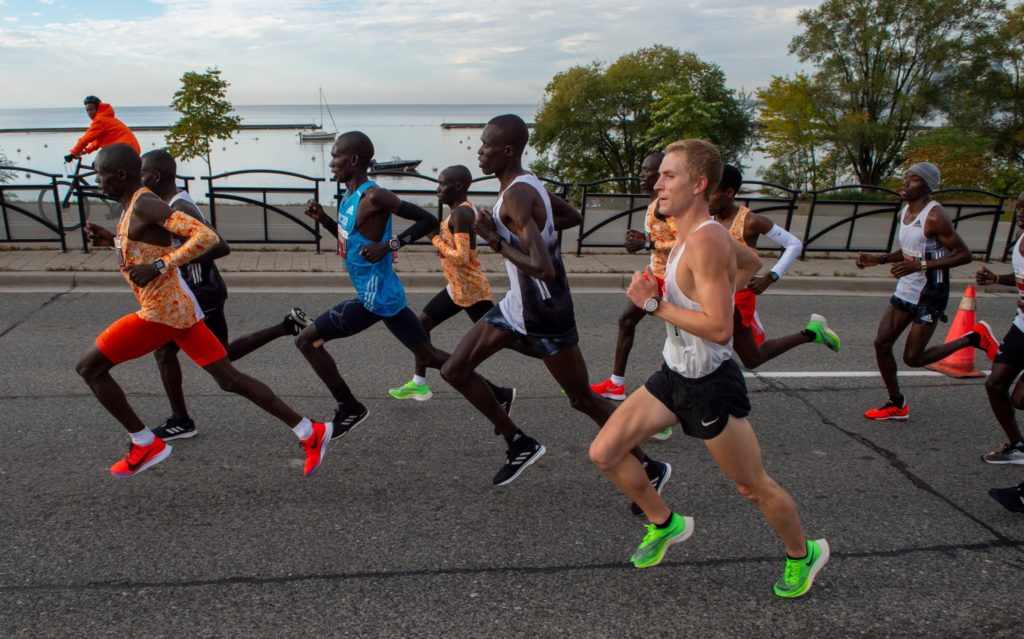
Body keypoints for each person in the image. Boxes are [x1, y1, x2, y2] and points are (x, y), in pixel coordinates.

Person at [588, 139, 829, 599]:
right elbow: (753, 261)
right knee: (605, 453)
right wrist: (697, 294)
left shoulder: (706, 240)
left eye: (669, 175)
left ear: (698, 184)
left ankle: (804, 554)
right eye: (659, 175)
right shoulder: (691, 234)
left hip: (709, 385)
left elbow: (720, 329)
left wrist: (653, 303)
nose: (657, 183)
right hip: (673, 374)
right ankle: (666, 523)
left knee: (751, 486)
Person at [440, 114, 671, 495]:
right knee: (454, 370)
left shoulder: (516, 193)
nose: (479, 152)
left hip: (546, 310)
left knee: (581, 399)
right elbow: (571, 215)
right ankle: (519, 443)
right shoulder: (525, 185)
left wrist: (495, 239)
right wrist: (511, 228)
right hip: (519, 305)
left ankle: (649, 467)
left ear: (508, 150)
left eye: (486, 145)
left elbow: (543, 269)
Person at [78, 144, 332, 478]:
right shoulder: (131, 206)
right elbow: (145, 244)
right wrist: (111, 242)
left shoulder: (145, 203)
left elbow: (207, 237)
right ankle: (309, 432)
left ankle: (145, 443)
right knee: (230, 378)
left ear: (121, 175)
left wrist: (160, 265)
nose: (97, 181)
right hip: (180, 313)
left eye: (100, 174)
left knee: (90, 368)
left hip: (161, 313)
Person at [298, 132, 515, 438]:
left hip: (375, 299)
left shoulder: (375, 196)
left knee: (307, 341)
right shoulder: (348, 197)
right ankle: (499, 394)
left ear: (354, 160)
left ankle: (349, 407)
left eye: (336, 156)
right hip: (381, 295)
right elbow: (350, 240)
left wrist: (390, 245)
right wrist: (323, 220)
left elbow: (426, 220)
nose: (331, 162)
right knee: (428, 354)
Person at [135, 149, 313, 440]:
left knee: (169, 353)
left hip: (201, 291)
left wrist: (163, 265)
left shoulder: (181, 207)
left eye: (142, 174)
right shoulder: (169, 203)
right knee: (222, 355)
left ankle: (181, 421)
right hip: (200, 291)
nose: (139, 182)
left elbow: (219, 246)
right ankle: (287, 325)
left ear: (155, 176)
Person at [855, 162, 993, 420]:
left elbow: (964, 255)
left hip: (932, 292)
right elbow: (910, 251)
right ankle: (896, 403)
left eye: (914, 179)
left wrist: (921, 265)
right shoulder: (904, 212)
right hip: (907, 288)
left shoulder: (934, 216)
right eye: (906, 177)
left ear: (927, 186)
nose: (905, 182)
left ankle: (973, 338)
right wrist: (880, 259)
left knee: (913, 358)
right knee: (882, 343)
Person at [386, 165, 496, 401]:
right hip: (457, 288)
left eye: (442, 184)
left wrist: (435, 238)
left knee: (510, 340)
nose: (437, 189)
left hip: (472, 292)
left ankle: (557, 359)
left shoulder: (462, 214)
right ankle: (419, 383)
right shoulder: (457, 212)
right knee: (420, 326)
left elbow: (462, 256)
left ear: (458, 187)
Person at [713, 164, 840, 367]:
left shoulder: (750, 221)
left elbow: (794, 244)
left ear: (729, 193)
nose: (704, 198)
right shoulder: (709, 218)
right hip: (716, 291)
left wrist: (770, 277)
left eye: (711, 193)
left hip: (739, 296)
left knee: (750, 358)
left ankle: (811, 333)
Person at [973, 190, 1024, 464]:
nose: (1021, 214)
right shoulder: (1020, 242)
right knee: (995, 384)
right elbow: (1020, 276)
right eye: (1018, 209)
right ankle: (1018, 445)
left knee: (1020, 400)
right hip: (1022, 326)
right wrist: (996, 278)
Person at [65, 96, 140, 162]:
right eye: (87, 110)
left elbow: (85, 139)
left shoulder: (100, 121)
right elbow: (98, 141)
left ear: (98, 109)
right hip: (129, 150)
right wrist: (86, 150)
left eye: (91, 109)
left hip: (124, 151)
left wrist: (73, 153)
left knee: (101, 167)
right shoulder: (105, 119)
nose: (89, 112)